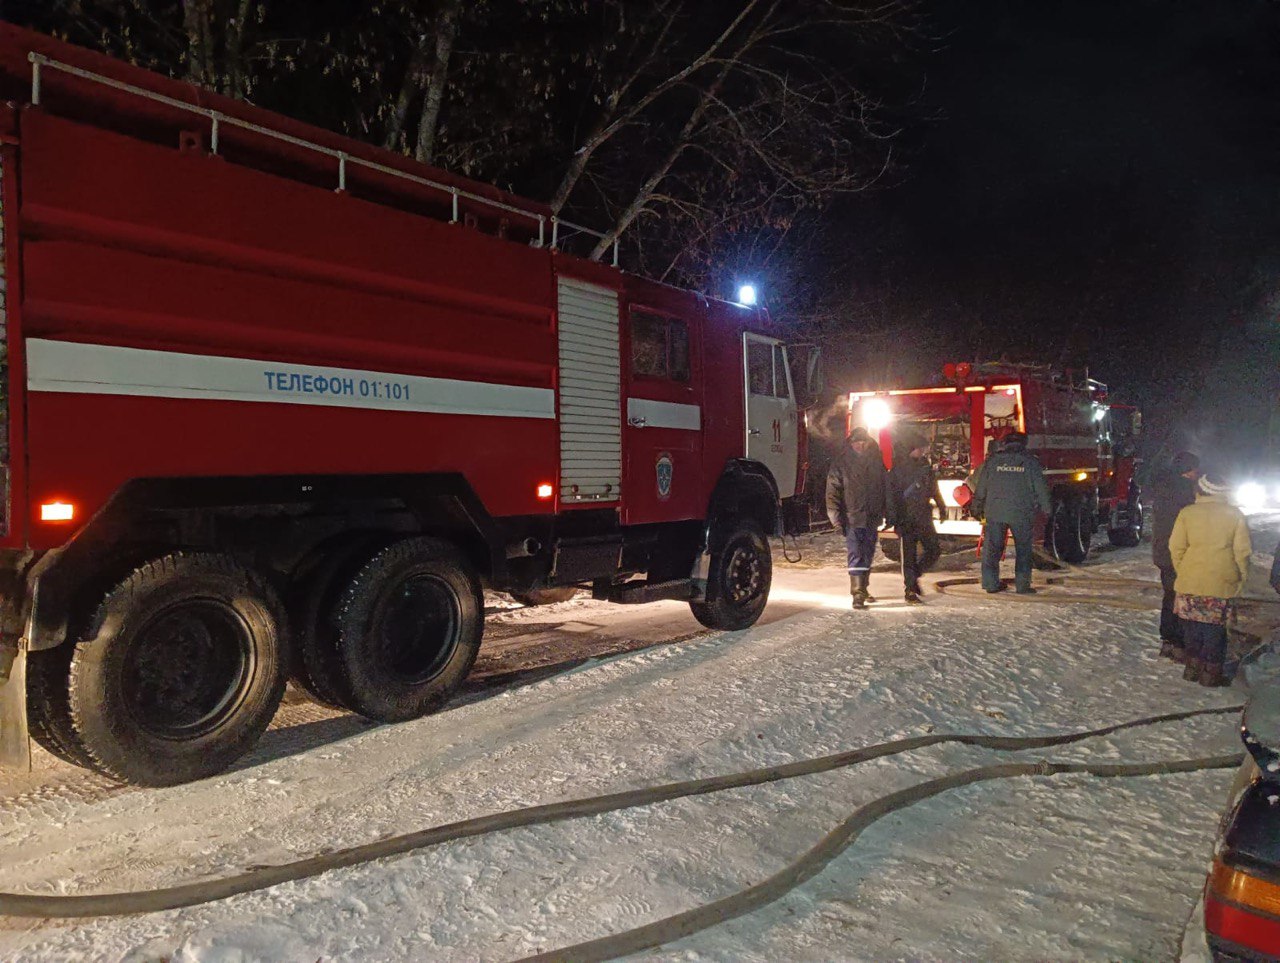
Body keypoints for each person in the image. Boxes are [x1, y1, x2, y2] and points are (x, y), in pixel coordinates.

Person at [1169, 473, 1251, 687]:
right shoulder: (1235, 515)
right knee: (1215, 630)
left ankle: (1192, 667)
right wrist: (1241, 577)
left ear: (1200, 490)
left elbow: (1176, 547)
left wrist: (1184, 569)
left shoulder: (1187, 513)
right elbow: (1242, 552)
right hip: (1221, 580)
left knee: (1191, 626)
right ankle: (1210, 673)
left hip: (1190, 579)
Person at [972, 431, 1051, 595]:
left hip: (995, 512)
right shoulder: (1030, 462)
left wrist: (976, 507)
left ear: (1004, 444)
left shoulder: (992, 461)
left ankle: (990, 583)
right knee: (1023, 550)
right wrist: (1047, 510)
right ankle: (1022, 586)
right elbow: (1041, 489)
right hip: (1021, 513)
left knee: (992, 549)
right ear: (1023, 444)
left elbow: (981, 487)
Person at [827, 426, 891, 609]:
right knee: (856, 554)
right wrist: (835, 518)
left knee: (868, 553)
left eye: (863, 442)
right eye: (857, 442)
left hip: (871, 516)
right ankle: (857, 593)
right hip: (852, 518)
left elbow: (885, 489)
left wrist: (888, 512)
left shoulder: (876, 462)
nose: (860, 445)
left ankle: (863, 587)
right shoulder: (841, 463)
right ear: (851, 443)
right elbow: (832, 492)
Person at [1149, 451, 1201, 661]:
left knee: (1170, 595)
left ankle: (1168, 641)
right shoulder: (1187, 493)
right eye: (1195, 468)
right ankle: (1180, 643)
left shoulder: (1164, 488)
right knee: (1183, 597)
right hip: (1180, 554)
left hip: (1163, 552)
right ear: (1189, 470)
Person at [890, 433, 944, 604]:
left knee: (933, 550)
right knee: (909, 556)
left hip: (923, 516)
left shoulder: (925, 467)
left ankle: (914, 576)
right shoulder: (897, 470)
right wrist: (893, 518)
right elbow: (891, 496)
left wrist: (941, 506)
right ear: (911, 449)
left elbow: (933, 489)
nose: (923, 451)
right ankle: (910, 590)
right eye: (920, 448)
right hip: (906, 517)